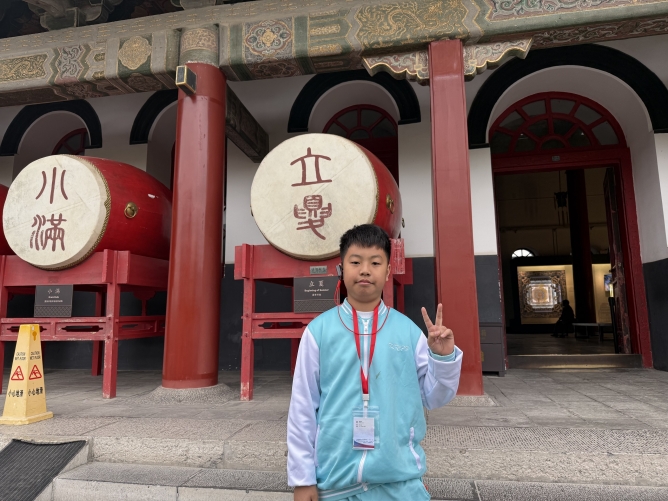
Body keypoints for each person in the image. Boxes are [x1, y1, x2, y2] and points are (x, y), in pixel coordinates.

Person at [287, 224, 463, 501]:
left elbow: (435, 397)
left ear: (388, 271)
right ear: (341, 269)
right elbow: (302, 408)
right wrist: (302, 479)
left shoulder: (408, 332)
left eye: (375, 262)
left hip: (400, 484)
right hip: (336, 485)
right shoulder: (318, 332)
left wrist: (442, 357)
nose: (365, 270)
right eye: (355, 262)